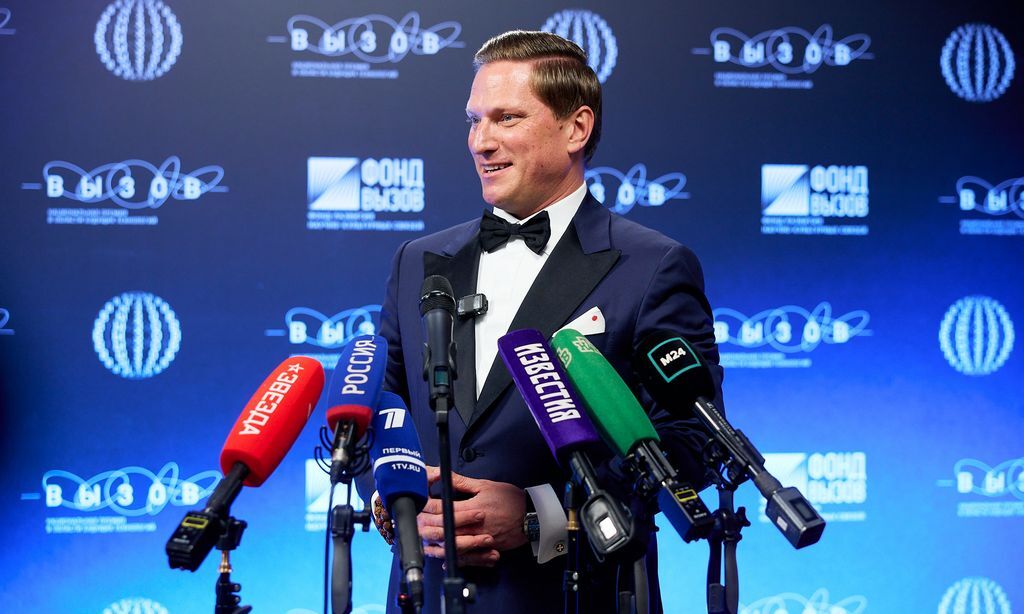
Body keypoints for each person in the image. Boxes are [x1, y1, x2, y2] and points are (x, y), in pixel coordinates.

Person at [361, 30, 724, 614]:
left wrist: (542, 513)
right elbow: (375, 406)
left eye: (506, 118)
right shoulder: (419, 261)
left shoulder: (652, 265)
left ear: (576, 128)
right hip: (426, 596)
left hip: (575, 595)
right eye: (474, 120)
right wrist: (393, 502)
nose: (481, 141)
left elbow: (694, 441)